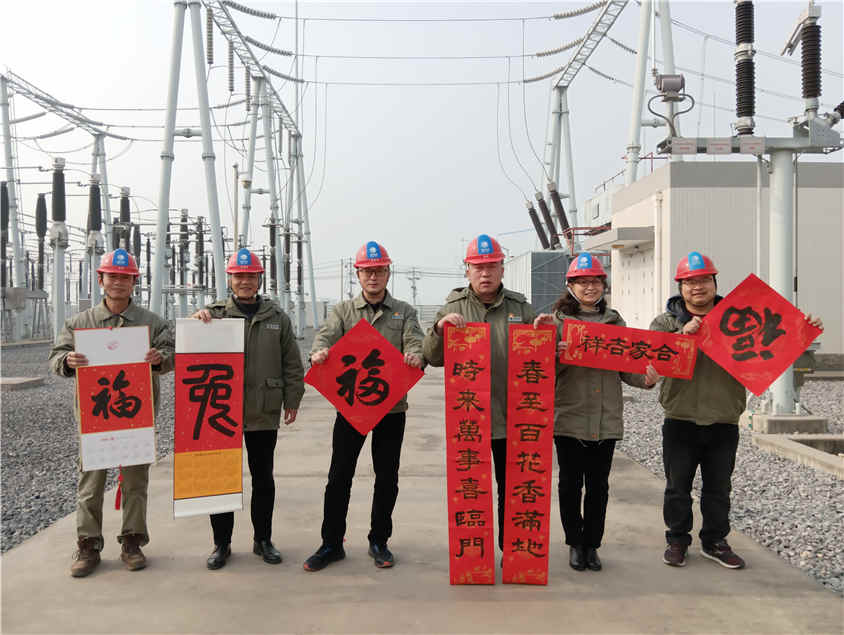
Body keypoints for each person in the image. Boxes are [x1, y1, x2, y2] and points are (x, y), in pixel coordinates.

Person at [651, 251, 822, 569]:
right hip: (680, 417)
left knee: (718, 488)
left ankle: (715, 541)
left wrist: (803, 330)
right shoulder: (666, 322)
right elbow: (653, 359)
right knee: (677, 487)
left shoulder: (740, 318)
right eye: (689, 282)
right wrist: (682, 336)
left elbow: (778, 345)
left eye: (704, 280)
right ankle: (677, 540)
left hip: (724, 417)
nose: (697, 287)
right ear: (680, 287)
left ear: (715, 282)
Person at [49, 249, 174, 577]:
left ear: (134, 282)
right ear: (101, 279)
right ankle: (88, 545)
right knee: (90, 484)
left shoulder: (152, 323)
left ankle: (132, 542)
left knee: (135, 482)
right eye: (112, 276)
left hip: (136, 419)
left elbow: (172, 354)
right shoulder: (80, 323)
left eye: (125, 277)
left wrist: (160, 358)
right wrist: (67, 361)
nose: (118, 282)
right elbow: (56, 357)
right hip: (96, 420)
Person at [303, 241, 424, 572]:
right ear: (357, 274)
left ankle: (379, 540)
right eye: (367, 271)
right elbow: (324, 338)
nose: (373, 277)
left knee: (386, 477)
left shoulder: (403, 311)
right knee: (339, 476)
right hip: (351, 407)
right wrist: (319, 353)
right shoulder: (343, 311)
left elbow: (415, 341)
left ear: (388, 273)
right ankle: (331, 543)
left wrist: (415, 355)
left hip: (391, 409)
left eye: (379, 270)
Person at [534, 253, 658, 572]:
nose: (590, 287)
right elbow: (539, 371)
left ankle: (593, 545)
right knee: (570, 485)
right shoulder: (556, 323)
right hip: (570, 417)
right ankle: (575, 543)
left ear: (604, 284)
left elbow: (626, 368)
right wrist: (553, 353)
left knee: (599, 487)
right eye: (582, 282)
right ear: (570, 286)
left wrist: (646, 379)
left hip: (606, 418)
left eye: (595, 281)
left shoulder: (616, 324)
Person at [422, 234, 536, 554]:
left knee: (513, 490)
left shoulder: (520, 308)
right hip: (469, 422)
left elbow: (541, 357)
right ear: (467, 271)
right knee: (471, 491)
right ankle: (474, 555)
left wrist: (546, 333)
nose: (485, 273)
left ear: (502, 269)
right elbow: (432, 357)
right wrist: (440, 330)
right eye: (478, 267)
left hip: (513, 418)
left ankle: (511, 552)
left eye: (491, 266)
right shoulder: (452, 308)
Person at [192, 248, 304, 570]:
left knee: (263, 478)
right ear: (230, 279)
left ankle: (263, 540)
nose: (244, 281)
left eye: (250, 276)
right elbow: (189, 350)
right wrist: (196, 323)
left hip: (263, 409)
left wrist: (292, 399)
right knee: (220, 479)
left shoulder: (277, 318)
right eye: (239, 276)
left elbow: (292, 363)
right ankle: (222, 543)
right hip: (221, 410)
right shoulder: (213, 316)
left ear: (259, 279)